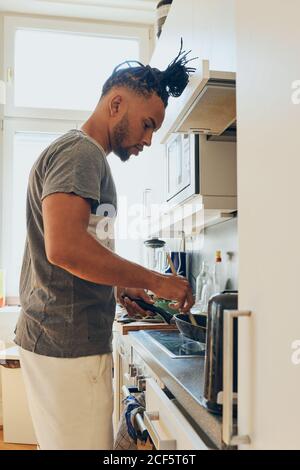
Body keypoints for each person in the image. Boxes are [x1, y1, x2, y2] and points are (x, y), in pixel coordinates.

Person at [14, 42, 196, 450]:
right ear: (116, 104)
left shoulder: (84, 156)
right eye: (147, 124)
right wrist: (155, 280)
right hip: (66, 345)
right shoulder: (81, 153)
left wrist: (118, 286)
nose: (148, 139)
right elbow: (65, 247)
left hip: (64, 341)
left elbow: (76, 252)